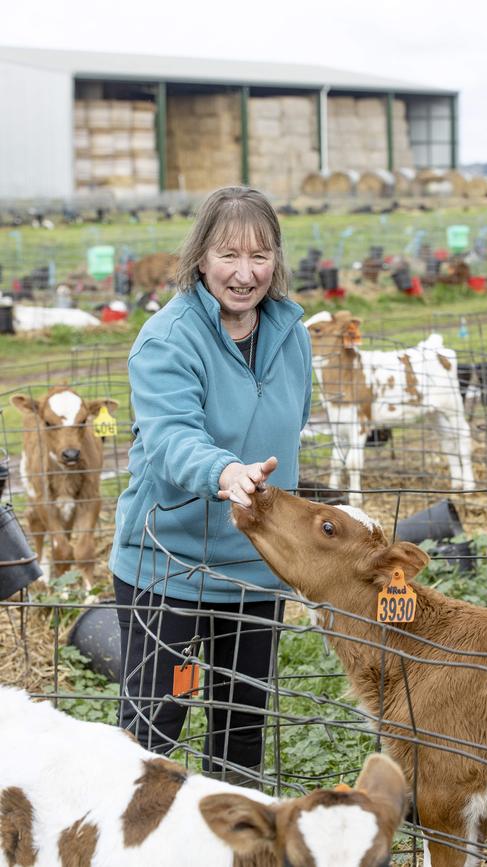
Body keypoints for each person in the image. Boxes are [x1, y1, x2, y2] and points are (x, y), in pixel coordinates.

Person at [109, 186, 312, 784]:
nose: (244, 273)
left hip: (255, 564)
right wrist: (225, 472)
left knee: (240, 733)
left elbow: (292, 423)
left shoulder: (291, 335)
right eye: (229, 255)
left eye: (260, 255)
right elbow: (171, 441)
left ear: (275, 261)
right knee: (155, 728)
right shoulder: (168, 340)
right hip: (170, 568)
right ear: (201, 258)